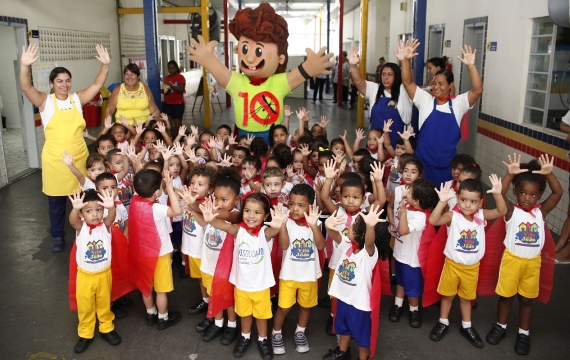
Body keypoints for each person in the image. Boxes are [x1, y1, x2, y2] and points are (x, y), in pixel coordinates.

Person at [186, 3, 333, 141]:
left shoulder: (277, 82)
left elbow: (299, 74)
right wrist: (208, 60)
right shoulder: (237, 81)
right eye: (245, 49)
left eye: (258, 51)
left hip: (273, 134)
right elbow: (222, 74)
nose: (250, 58)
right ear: (237, 50)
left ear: (280, 58)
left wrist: (311, 67)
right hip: (243, 133)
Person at [19, 43, 110, 252]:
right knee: (57, 203)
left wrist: (105, 65)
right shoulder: (45, 101)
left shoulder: (76, 99)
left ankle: (88, 229)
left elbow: (97, 85)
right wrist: (24, 66)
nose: (64, 84)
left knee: (84, 197)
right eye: (59, 81)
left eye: (67, 81)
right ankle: (58, 236)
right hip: (55, 161)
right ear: (52, 83)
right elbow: (26, 87)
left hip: (79, 157)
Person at [484, 154, 562, 355]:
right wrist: (509, 174)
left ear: (540, 194)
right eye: (523, 193)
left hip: (532, 264)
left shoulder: (541, 212)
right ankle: (500, 326)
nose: (527, 198)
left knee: (527, 300)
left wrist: (550, 173)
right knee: (506, 297)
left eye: (533, 195)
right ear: (515, 192)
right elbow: (498, 192)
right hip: (511, 261)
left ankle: (523, 332)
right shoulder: (511, 211)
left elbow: (558, 192)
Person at [200, 193, 289, 360]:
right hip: (241, 284)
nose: (251, 216)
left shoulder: (264, 232)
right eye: (247, 210)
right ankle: (245, 336)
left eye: (257, 212)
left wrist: (279, 224)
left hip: (261, 286)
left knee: (262, 316)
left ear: (266, 215)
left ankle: (263, 340)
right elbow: (223, 226)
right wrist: (210, 219)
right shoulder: (238, 230)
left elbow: (275, 232)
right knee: (244, 314)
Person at [428, 175, 506, 348]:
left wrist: (499, 194)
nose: (467, 205)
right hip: (452, 265)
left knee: (466, 298)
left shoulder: (481, 215)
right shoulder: (453, 215)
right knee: (447, 295)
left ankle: (467, 326)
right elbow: (433, 220)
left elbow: (501, 211)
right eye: (463, 200)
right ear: (457, 198)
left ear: (480, 202)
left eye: (472, 201)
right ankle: (443, 322)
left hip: (472, 268)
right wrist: (441, 202)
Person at [397, 39, 483, 186]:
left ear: (450, 86)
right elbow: (407, 83)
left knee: (442, 205)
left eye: (441, 84)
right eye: (434, 83)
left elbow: (477, 90)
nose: (436, 87)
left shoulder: (458, 104)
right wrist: (406, 60)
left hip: (447, 169)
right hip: (422, 166)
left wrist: (471, 66)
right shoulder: (425, 101)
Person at [322, 205, 391, 360]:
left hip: (359, 304)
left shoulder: (368, 254)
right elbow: (335, 235)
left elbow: (369, 242)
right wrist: (328, 225)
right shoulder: (347, 244)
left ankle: (363, 358)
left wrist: (370, 227)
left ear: (362, 234)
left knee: (362, 336)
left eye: (353, 227)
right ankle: (342, 351)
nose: (349, 228)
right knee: (343, 328)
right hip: (344, 298)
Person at [272, 185, 325, 355]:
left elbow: (321, 245)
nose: (295, 209)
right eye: (291, 204)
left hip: (309, 275)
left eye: (301, 205)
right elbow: (284, 245)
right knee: (284, 307)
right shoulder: (287, 222)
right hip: (289, 274)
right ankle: (276, 332)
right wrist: (281, 224)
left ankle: (300, 331)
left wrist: (314, 226)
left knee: (305, 306)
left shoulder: (314, 223)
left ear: (310, 207)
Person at [128, 169, 183, 330]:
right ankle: (163, 317)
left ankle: (150, 313)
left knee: (146, 287)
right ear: (158, 191)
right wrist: (171, 188)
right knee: (161, 290)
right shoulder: (156, 209)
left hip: (141, 252)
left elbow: (142, 185)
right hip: (160, 254)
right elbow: (177, 211)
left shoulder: (134, 201)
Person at [67, 189, 120, 354]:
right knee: (85, 305)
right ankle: (85, 333)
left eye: (98, 209)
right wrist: (75, 209)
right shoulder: (80, 227)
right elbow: (72, 221)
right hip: (85, 276)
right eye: (89, 211)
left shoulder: (105, 226)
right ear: (82, 214)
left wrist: (111, 208)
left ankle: (106, 327)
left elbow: (111, 217)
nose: (95, 214)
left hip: (104, 274)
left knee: (105, 303)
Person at [389, 178, 438, 328]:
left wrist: (403, 213)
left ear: (416, 201)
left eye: (409, 191)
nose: (406, 191)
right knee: (401, 281)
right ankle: (398, 304)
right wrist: (404, 205)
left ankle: (413, 310)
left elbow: (403, 230)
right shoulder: (410, 207)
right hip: (401, 254)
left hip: (412, 259)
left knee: (413, 288)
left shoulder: (421, 216)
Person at [349, 47, 413, 148]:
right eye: (383, 74)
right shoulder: (375, 89)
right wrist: (353, 66)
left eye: (390, 75)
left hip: (398, 144)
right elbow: (359, 82)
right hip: (375, 143)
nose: (385, 77)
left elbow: (409, 80)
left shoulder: (405, 90)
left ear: (397, 76)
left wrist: (405, 60)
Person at [106, 63, 162, 127]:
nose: (129, 77)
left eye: (132, 74)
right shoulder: (117, 89)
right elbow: (109, 110)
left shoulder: (145, 88)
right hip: (122, 127)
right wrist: (109, 127)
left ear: (138, 76)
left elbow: (154, 110)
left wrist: (163, 126)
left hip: (144, 125)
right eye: (127, 74)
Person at [162, 60, 186, 133]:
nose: (171, 70)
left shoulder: (180, 77)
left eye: (173, 68)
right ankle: (169, 138)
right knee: (168, 124)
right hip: (167, 104)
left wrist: (172, 86)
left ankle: (179, 139)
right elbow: (166, 91)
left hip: (178, 104)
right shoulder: (166, 78)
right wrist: (164, 90)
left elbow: (181, 90)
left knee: (177, 124)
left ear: (176, 68)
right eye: (169, 68)